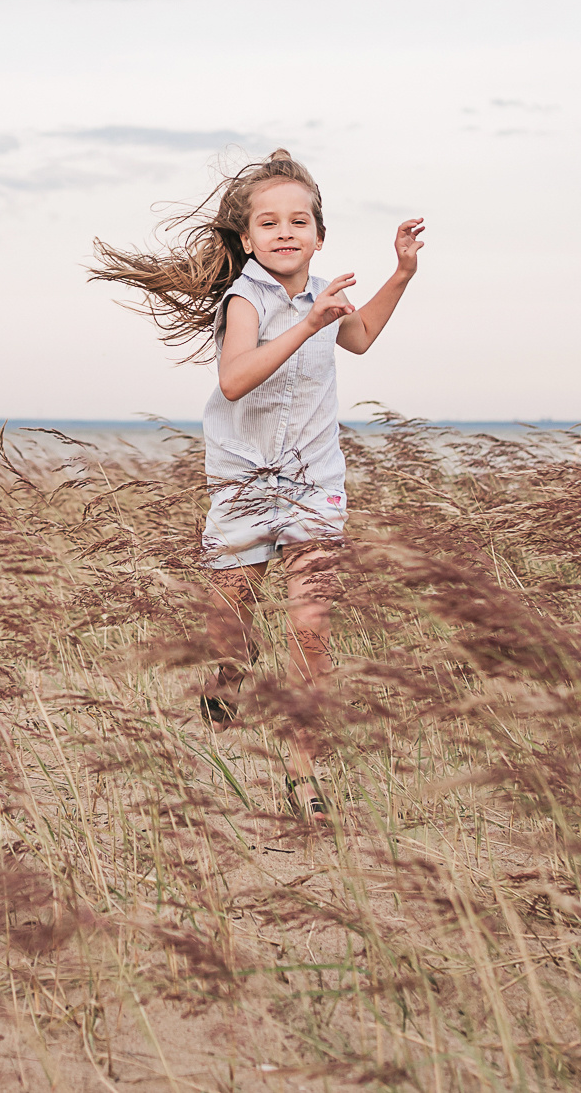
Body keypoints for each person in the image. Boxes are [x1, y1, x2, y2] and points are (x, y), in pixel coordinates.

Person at [90, 149, 424, 823]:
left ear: (320, 234)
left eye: (299, 220)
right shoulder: (247, 298)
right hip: (243, 483)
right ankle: (229, 671)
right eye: (268, 222)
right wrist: (307, 324)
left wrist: (402, 273)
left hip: (313, 482)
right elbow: (235, 379)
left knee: (312, 626)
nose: (285, 231)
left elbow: (358, 338)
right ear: (247, 239)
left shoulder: (323, 292)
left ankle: (303, 774)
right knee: (229, 627)